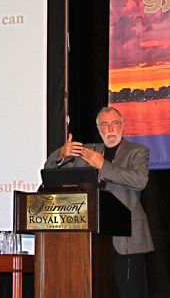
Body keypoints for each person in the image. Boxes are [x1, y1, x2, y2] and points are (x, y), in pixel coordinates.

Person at [45, 106, 154, 298]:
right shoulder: (87, 151)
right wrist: (60, 154)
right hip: (91, 239)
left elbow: (139, 181)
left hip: (126, 238)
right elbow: (50, 173)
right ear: (98, 128)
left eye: (115, 123)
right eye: (104, 124)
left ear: (122, 125)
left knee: (129, 293)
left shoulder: (137, 151)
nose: (110, 129)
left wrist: (103, 165)